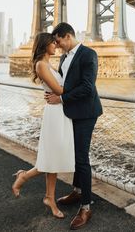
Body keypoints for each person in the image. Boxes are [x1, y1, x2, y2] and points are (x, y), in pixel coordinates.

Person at [45, 22, 103, 230]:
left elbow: (88, 88)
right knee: (74, 154)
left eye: (59, 41)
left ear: (67, 36)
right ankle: (77, 191)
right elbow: (63, 85)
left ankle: (86, 207)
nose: (58, 46)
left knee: (81, 157)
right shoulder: (63, 57)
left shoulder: (89, 54)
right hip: (70, 112)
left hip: (87, 113)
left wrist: (61, 100)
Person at [12, 32, 75, 219]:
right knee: (50, 157)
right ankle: (23, 177)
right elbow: (58, 90)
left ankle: (49, 197)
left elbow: (60, 91)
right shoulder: (41, 65)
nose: (56, 45)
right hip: (54, 114)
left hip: (60, 112)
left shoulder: (49, 64)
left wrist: (65, 93)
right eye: (53, 43)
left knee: (53, 157)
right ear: (45, 45)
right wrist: (79, 87)